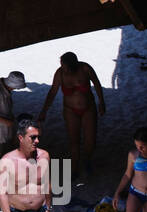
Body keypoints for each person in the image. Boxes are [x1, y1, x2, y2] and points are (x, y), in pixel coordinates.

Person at [37, 51, 105, 180]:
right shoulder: (60, 73)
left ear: (72, 64)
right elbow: (52, 92)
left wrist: (102, 102)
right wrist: (44, 110)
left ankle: (87, 161)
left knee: (90, 140)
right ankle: (74, 168)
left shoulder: (85, 68)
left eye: (64, 65)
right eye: (61, 64)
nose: (62, 67)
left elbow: (97, 84)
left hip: (88, 108)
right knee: (74, 141)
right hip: (70, 110)